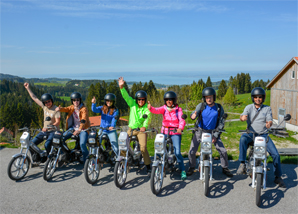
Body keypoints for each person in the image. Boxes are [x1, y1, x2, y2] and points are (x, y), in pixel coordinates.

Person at [236, 87, 286, 188]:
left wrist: (269, 124)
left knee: (276, 154)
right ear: (252, 98)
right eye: (256, 97)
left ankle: (278, 176)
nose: (258, 99)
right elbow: (242, 116)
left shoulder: (267, 108)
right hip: (251, 133)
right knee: (242, 139)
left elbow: (269, 120)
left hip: (263, 134)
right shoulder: (249, 107)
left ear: (263, 98)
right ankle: (242, 163)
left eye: (260, 97)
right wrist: (242, 118)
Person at [187, 87, 233, 177]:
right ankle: (192, 167)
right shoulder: (201, 106)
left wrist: (216, 135)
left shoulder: (219, 108)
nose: (209, 99)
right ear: (204, 98)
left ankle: (225, 167)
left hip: (213, 131)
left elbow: (221, 122)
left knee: (223, 151)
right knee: (192, 151)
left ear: (214, 97)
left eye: (210, 97)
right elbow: (194, 113)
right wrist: (193, 115)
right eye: (207, 97)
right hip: (200, 130)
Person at [148, 91, 187, 180]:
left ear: (174, 100)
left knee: (177, 152)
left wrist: (180, 128)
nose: (168, 101)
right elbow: (156, 110)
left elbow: (182, 120)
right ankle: (160, 166)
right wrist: (150, 108)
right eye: (167, 100)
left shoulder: (178, 109)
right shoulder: (164, 108)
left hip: (175, 132)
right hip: (164, 131)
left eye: (170, 99)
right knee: (159, 149)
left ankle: (183, 170)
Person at [118, 77, 152, 174]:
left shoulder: (146, 108)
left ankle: (148, 165)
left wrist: (144, 126)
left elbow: (148, 118)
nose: (140, 101)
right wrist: (121, 87)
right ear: (136, 99)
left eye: (143, 99)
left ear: (145, 100)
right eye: (139, 99)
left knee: (143, 148)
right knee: (123, 145)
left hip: (141, 130)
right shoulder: (132, 104)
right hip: (131, 129)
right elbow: (126, 96)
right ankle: (123, 163)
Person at [24, 82, 60, 155]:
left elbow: (57, 122)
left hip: (53, 131)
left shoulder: (56, 109)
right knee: (31, 144)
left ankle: (50, 158)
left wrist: (49, 128)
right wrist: (28, 88)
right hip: (44, 130)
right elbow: (34, 98)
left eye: (49, 101)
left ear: (51, 100)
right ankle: (36, 159)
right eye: (46, 102)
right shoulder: (44, 107)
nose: (48, 103)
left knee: (47, 145)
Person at [55, 92, 90, 163]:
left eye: (77, 100)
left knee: (82, 144)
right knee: (60, 139)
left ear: (80, 100)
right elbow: (66, 109)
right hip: (73, 128)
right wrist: (59, 109)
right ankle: (66, 155)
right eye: (74, 100)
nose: (76, 102)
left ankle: (87, 161)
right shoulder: (72, 107)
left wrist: (79, 130)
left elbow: (84, 120)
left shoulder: (84, 109)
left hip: (83, 129)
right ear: (72, 101)